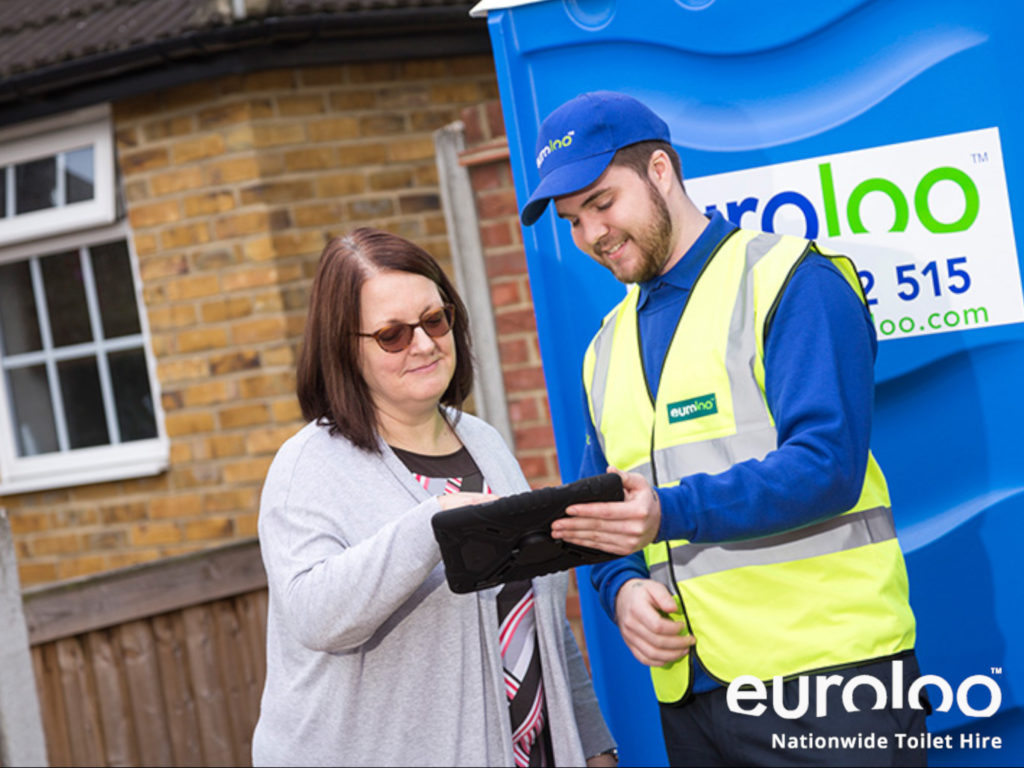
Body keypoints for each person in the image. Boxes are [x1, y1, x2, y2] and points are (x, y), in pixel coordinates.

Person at [520, 91, 928, 766]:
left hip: (827, 679)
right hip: (694, 699)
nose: (592, 234)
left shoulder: (792, 282)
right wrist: (621, 590)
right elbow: (603, 509)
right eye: (572, 220)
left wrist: (668, 513)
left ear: (660, 171)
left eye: (602, 203)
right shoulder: (604, 347)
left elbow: (828, 464)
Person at [251, 227, 617, 767]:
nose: (423, 344)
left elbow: (540, 617)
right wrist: (432, 527)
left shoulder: (484, 443)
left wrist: (591, 746)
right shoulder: (307, 466)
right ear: (342, 350)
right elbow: (316, 617)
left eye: (434, 320)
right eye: (392, 335)